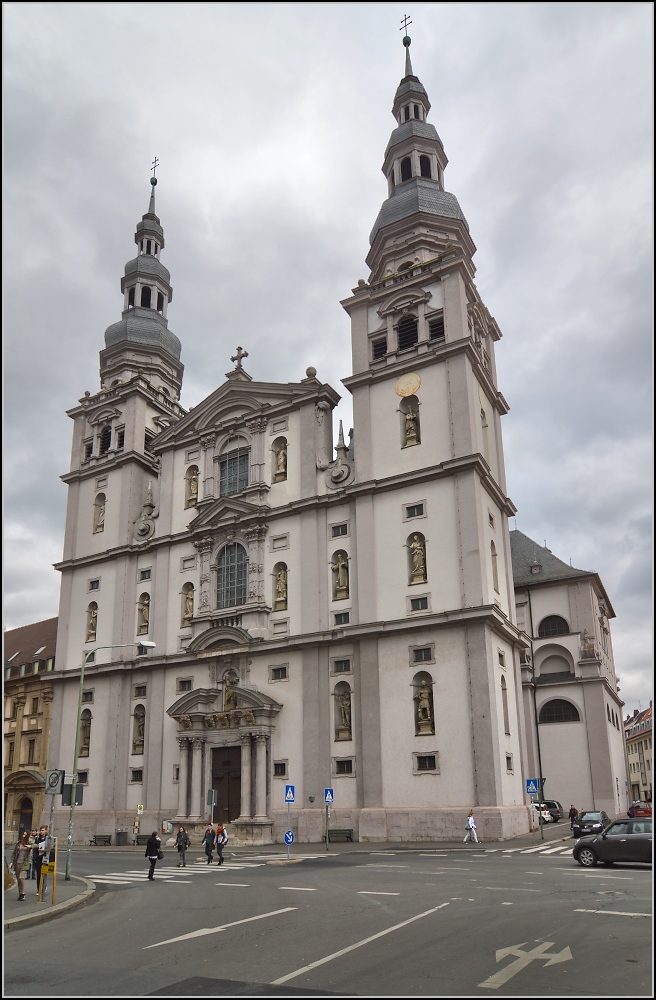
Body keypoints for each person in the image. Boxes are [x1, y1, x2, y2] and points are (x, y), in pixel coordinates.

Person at [10, 830, 33, 901]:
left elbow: (35, 846)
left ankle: (23, 893)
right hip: (17, 863)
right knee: (18, 880)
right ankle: (20, 893)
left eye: (25, 835)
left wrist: (29, 846)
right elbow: (14, 854)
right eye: (23, 834)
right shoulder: (18, 843)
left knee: (21, 878)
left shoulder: (29, 843)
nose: (23, 836)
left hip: (24, 864)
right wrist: (11, 862)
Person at [35, 825, 49, 896]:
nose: (41, 832)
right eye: (40, 830)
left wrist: (45, 850)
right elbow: (35, 848)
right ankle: (38, 889)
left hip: (45, 858)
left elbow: (51, 849)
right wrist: (35, 858)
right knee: (38, 874)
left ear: (46, 831)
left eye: (43, 830)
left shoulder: (48, 839)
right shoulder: (37, 839)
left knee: (44, 874)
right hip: (39, 858)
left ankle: (44, 887)